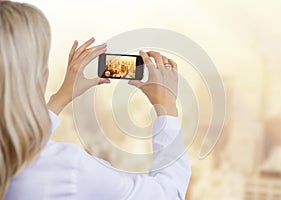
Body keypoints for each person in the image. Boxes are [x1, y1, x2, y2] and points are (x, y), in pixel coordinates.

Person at [0, 1, 191, 200]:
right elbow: (169, 194)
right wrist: (167, 107)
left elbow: (21, 145)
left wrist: (60, 99)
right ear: (40, 77)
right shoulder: (69, 169)